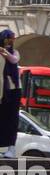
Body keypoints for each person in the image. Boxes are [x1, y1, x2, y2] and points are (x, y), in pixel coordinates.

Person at [0, 29, 20, 159]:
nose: (11, 41)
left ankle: (11, 148)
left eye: (12, 39)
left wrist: (6, 53)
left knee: (12, 119)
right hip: (2, 90)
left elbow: (14, 60)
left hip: (12, 90)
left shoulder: (13, 52)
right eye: (9, 38)